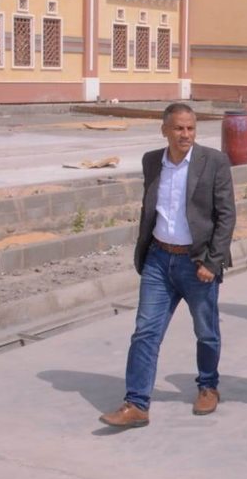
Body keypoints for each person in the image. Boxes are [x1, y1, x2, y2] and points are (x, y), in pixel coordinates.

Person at [100, 103, 236, 428]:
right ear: (164, 130)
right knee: (145, 331)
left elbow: (226, 215)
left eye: (190, 128)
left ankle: (208, 386)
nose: (185, 134)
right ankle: (136, 403)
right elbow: (150, 208)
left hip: (197, 262)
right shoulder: (152, 161)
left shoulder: (213, 161)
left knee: (206, 331)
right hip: (159, 260)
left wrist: (212, 261)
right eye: (178, 128)